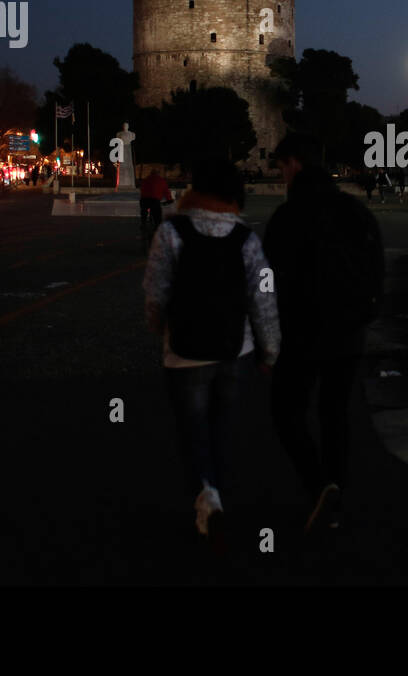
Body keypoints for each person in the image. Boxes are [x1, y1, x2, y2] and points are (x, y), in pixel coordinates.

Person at [143, 156, 279, 543]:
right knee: (221, 427)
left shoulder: (172, 232)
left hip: (184, 351)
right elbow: (263, 298)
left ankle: (207, 497)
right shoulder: (245, 238)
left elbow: (155, 291)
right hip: (235, 349)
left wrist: (160, 328)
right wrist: (270, 350)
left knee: (192, 430)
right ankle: (217, 493)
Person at [263, 132, 385, 534]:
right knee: (336, 414)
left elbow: (269, 283)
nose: (281, 176)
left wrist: (268, 340)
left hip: (302, 333)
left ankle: (318, 484)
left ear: (294, 163)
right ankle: (336, 495)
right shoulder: (354, 210)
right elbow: (376, 267)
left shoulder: (287, 217)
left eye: (281, 167)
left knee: (286, 412)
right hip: (349, 331)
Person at [139, 168, 172, 234]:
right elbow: (166, 191)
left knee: (144, 212)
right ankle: (157, 228)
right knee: (157, 216)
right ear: (158, 173)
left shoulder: (145, 180)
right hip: (155, 200)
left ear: (151, 173)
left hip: (144, 200)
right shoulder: (161, 180)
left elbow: (142, 190)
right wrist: (169, 199)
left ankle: (143, 224)